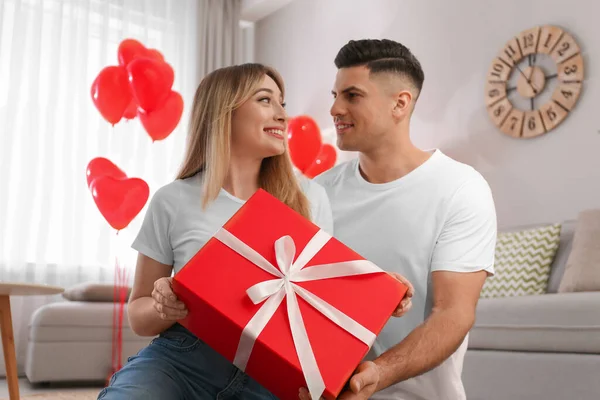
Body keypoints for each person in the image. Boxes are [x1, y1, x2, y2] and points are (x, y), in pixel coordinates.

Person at [97, 63, 412, 400]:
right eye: (265, 100)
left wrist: (379, 292)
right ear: (223, 111)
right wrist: (165, 305)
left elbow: (318, 304)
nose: (281, 115)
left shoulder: (310, 199)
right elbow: (138, 316)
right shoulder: (172, 201)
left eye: (283, 104)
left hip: (271, 374)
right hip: (182, 361)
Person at [300, 39, 497, 400]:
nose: (334, 108)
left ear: (400, 104)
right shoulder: (317, 192)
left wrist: (379, 373)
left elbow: (453, 312)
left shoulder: (461, 188)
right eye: (335, 94)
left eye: (352, 95)